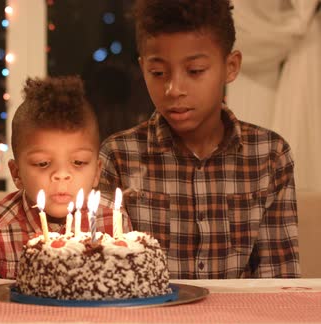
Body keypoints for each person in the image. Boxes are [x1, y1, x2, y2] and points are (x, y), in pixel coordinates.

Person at [99, 0, 300, 278]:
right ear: (143, 67)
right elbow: (108, 275)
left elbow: (279, 280)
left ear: (230, 66)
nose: (173, 89)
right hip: (148, 319)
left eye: (194, 71)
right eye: (158, 73)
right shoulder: (119, 155)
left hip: (241, 319)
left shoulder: (269, 155)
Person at [0, 76, 118, 279]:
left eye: (79, 162)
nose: (61, 175)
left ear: (97, 171)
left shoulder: (113, 222)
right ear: (16, 173)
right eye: (42, 164)